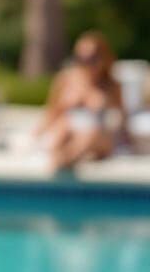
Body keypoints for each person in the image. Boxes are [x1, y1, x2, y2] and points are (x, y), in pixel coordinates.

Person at [31, 30, 132, 175]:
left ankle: (62, 162)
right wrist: (37, 133)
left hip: (98, 136)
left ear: (103, 57)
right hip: (69, 130)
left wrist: (127, 142)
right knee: (63, 127)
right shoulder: (66, 78)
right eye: (81, 58)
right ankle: (61, 162)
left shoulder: (111, 85)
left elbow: (122, 116)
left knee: (89, 134)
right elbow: (52, 111)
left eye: (92, 58)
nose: (87, 64)